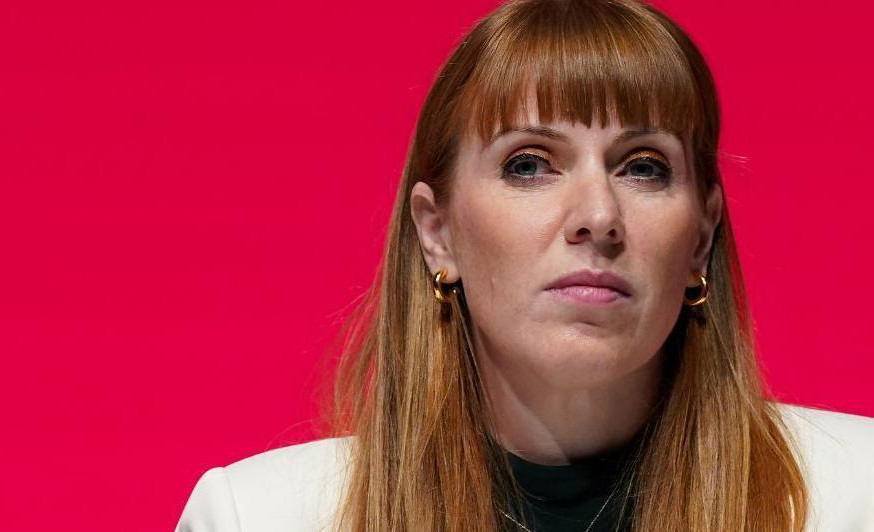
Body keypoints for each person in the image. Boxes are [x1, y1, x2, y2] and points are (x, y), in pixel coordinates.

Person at [175, 0, 874, 530]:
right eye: (529, 164)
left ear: (700, 237)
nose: (597, 215)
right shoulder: (260, 517)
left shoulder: (857, 494)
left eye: (643, 167)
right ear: (436, 233)